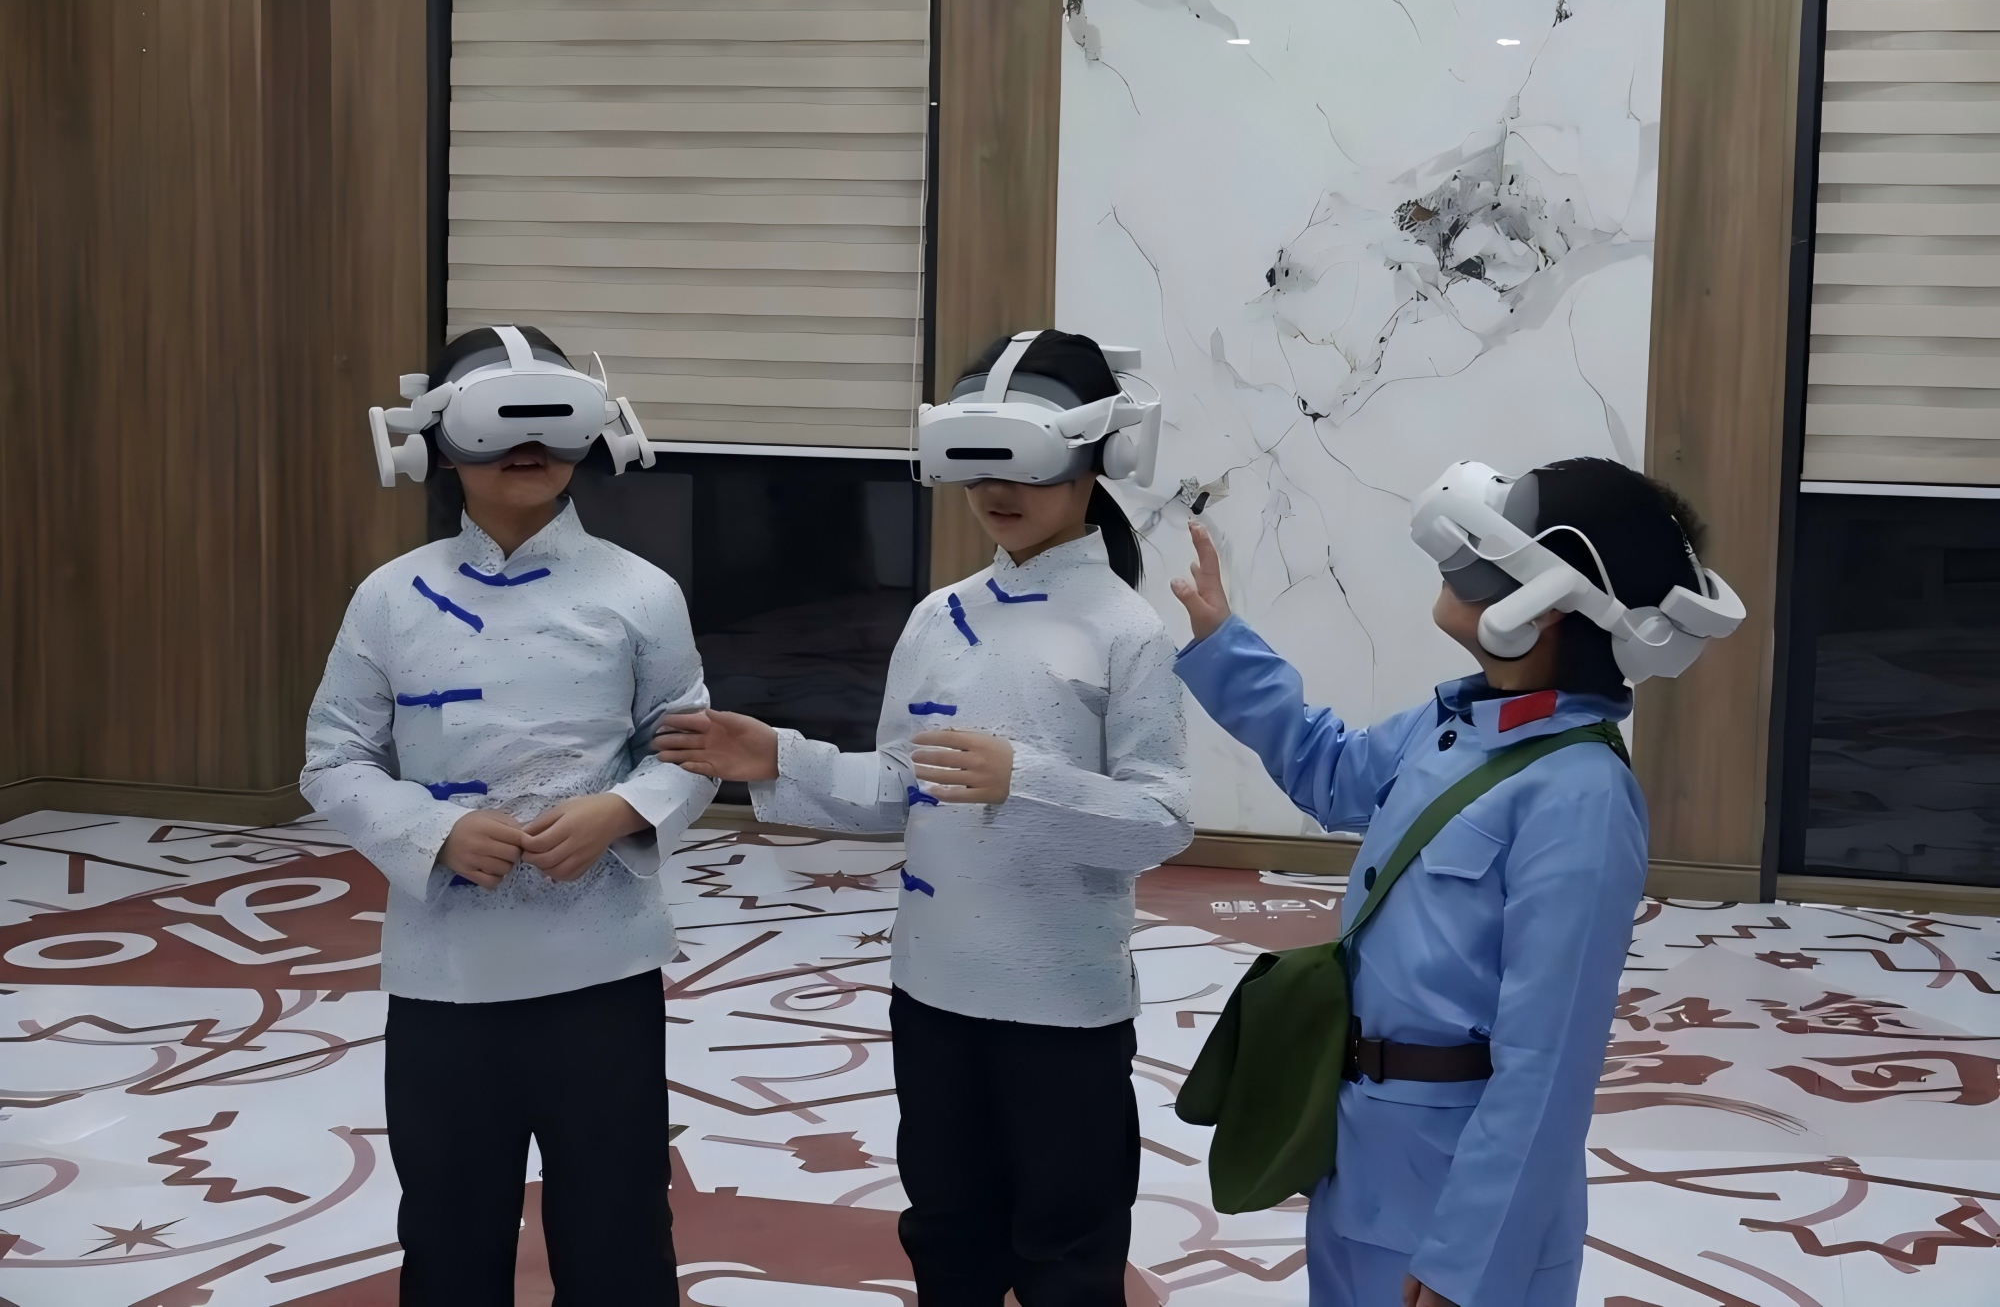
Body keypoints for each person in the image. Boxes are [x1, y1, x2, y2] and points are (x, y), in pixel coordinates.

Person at [654, 330, 1193, 1304]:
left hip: (1063, 1007)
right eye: (975, 462)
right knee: (946, 1234)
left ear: (1098, 455)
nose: (996, 489)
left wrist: (1026, 781)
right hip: (933, 994)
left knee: (1068, 1253)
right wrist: (782, 757)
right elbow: (900, 786)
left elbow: (1161, 821)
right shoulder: (937, 617)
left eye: (1023, 461)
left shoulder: (1128, 630)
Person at [1169, 458, 1740, 1307]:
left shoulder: (1581, 794)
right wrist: (1225, 644)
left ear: (1544, 603)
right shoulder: (1455, 724)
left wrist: (1468, 1261)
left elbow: (1548, 1064)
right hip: (1361, 1161)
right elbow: (1330, 769)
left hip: (1457, 1205)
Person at [302, 325, 714, 1305]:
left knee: (618, 1223)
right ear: (439, 443)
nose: (527, 446)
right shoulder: (390, 597)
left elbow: (689, 745)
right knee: (449, 1224)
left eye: (550, 419)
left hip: (602, 965)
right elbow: (335, 757)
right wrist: (432, 831)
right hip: (445, 971)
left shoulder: (639, 591)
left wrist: (620, 810)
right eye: (497, 422)